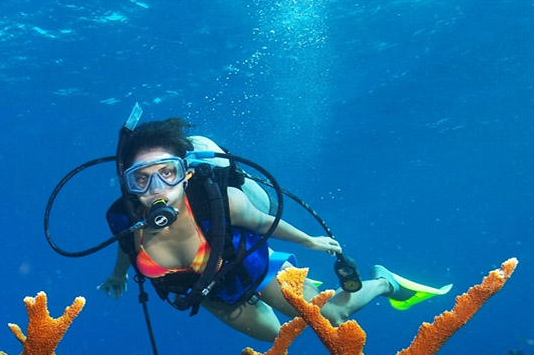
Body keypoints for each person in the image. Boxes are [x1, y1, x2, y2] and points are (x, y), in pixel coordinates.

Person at [98, 118, 450, 342]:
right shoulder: (129, 222)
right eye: (141, 178)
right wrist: (117, 276)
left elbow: (264, 222)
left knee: (332, 318)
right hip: (208, 293)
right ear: (127, 185)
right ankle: (254, 297)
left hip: (255, 268)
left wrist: (308, 240)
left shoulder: (218, 201)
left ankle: (385, 282)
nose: (156, 187)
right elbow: (128, 250)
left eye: (167, 172)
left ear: (186, 172)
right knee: (272, 335)